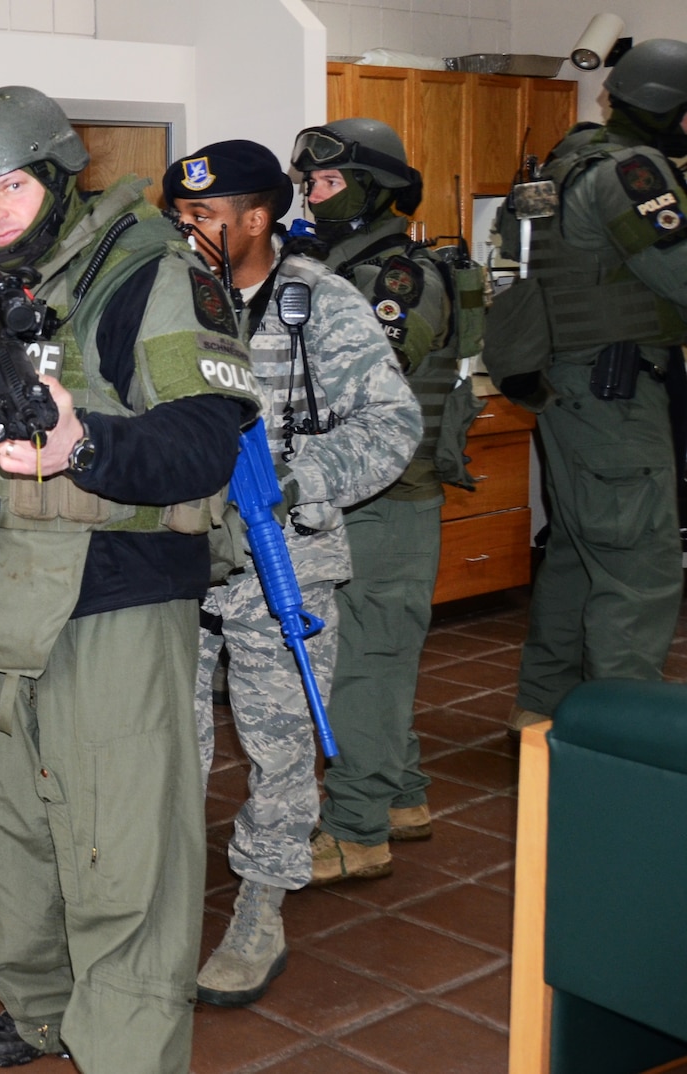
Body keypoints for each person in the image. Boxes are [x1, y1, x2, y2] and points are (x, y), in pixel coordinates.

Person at [0, 87, 261, 1071]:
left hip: (119, 592)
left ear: (50, 175)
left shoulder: (148, 269)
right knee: (13, 836)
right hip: (6, 596)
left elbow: (206, 439)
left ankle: (126, 1049)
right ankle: (39, 1009)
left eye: (7, 189)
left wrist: (85, 447)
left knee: (124, 854)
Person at [163, 141, 418, 1007]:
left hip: (284, 568)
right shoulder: (165, 298)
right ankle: (159, 902)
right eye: (183, 216)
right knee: (168, 742)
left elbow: (392, 425)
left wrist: (298, 480)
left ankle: (262, 907)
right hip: (179, 566)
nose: (190, 229)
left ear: (259, 217)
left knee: (279, 748)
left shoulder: (320, 305)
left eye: (206, 216)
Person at [289, 117, 474, 885]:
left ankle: (357, 831)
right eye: (308, 184)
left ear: (376, 189)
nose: (312, 196)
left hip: (390, 500)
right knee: (371, 659)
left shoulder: (403, 277)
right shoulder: (327, 267)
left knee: (366, 663)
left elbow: (360, 379)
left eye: (327, 183)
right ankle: (401, 795)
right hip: (348, 494)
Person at [489, 39, 687, 735]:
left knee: (577, 556)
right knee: (639, 569)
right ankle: (622, 750)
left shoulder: (567, 164)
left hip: (570, 391)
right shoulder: (634, 172)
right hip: (616, 394)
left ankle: (542, 715)